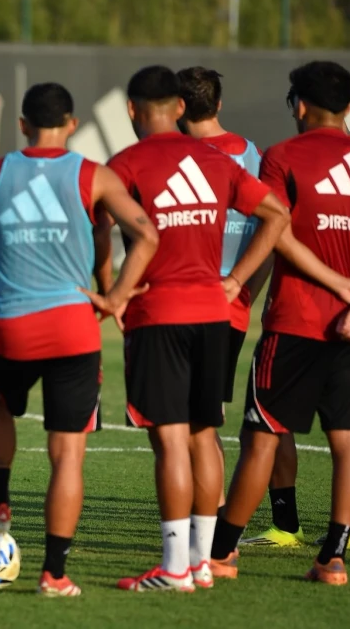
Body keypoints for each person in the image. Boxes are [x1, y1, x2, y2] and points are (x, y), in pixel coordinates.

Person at [210, 61, 350, 586]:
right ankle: (331, 559)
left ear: (298, 104)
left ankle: (222, 554)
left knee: (263, 437)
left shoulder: (283, 156)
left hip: (295, 321)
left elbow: (277, 231)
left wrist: (335, 286)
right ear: (344, 108)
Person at [105, 66, 289, 593]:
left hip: (160, 314)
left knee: (169, 440)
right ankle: (202, 562)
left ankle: (174, 568)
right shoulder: (217, 159)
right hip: (213, 312)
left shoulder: (127, 163)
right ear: (180, 109)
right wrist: (234, 279)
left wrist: (113, 291)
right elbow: (276, 215)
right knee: (204, 434)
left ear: (133, 110)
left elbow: (105, 230)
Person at [0, 82, 159, 597]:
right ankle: (54, 573)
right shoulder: (93, 174)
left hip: (13, 324)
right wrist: (116, 295)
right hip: (75, 327)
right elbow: (146, 234)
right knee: (67, 456)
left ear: (23, 125)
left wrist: (7, 300)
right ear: (72, 124)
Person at [176, 67, 306, 548]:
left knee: (186, 425)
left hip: (178, 307)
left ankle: (200, 531)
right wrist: (244, 287)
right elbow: (274, 232)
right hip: (231, 308)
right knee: (207, 420)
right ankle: (208, 531)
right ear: (219, 104)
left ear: (177, 108)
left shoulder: (174, 157)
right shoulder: (253, 155)